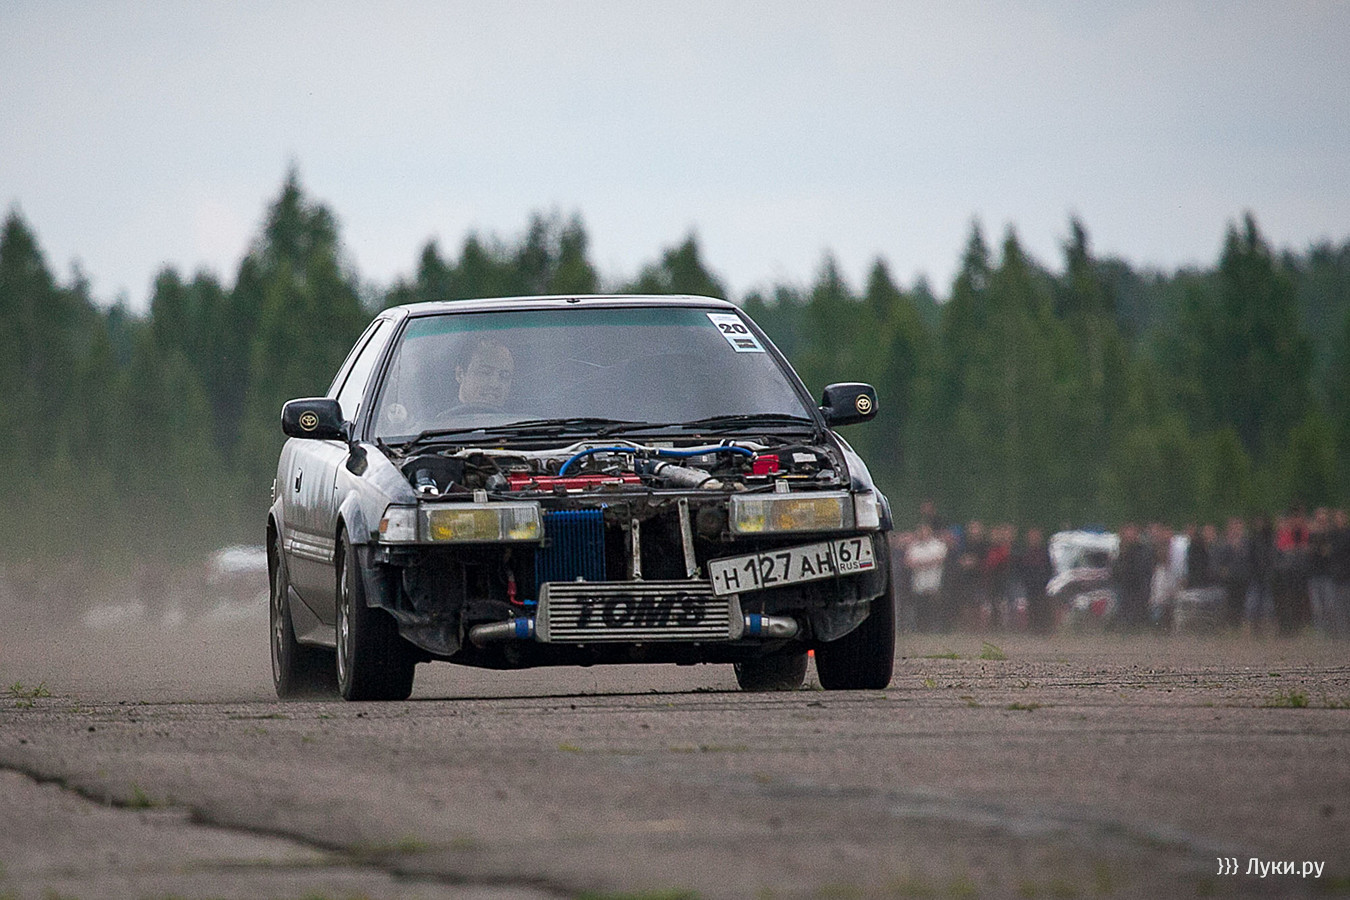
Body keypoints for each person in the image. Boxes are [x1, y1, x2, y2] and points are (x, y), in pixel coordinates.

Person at [904, 523, 948, 632]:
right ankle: (921, 628)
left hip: (934, 581)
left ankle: (936, 628)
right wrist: (924, 563)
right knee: (920, 606)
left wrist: (922, 563)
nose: (923, 534)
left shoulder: (938, 545)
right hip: (919, 581)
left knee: (934, 606)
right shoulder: (913, 546)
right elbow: (908, 562)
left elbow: (940, 559)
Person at [453, 336, 514, 410]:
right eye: (485, 373)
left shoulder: (521, 416)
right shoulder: (441, 416)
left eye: (504, 376)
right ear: (460, 374)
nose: (494, 384)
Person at [1112, 523, 1153, 630]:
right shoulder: (1120, 550)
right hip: (1124, 588)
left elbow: (1141, 570)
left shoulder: (1143, 550)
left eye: (1131, 532)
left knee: (1135, 615)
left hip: (1139, 588)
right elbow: (1115, 570)